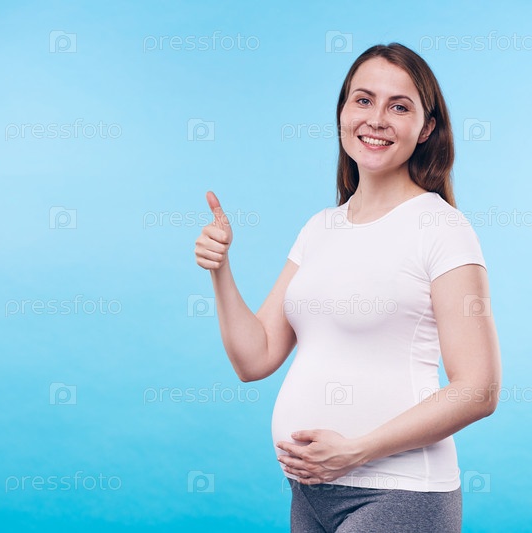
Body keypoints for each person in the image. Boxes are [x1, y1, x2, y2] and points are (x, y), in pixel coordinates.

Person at [194, 42, 501, 533]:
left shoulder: (441, 228)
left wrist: (357, 451)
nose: (376, 119)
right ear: (342, 112)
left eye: (399, 107)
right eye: (363, 100)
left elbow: (478, 389)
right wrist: (220, 269)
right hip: (309, 492)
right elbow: (255, 359)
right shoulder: (320, 227)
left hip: (399, 493)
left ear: (426, 128)